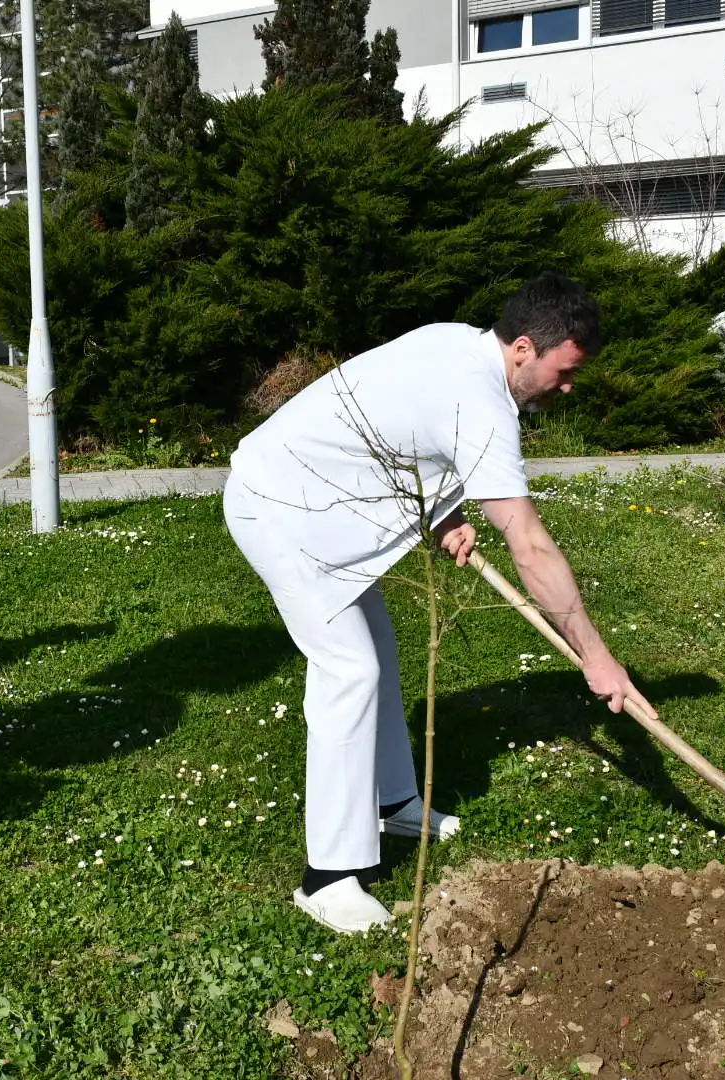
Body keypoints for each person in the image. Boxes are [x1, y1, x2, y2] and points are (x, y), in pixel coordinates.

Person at [223, 273, 657, 934]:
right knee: (349, 669)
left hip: (324, 510)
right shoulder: (478, 399)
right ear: (522, 350)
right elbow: (531, 546)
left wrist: (444, 511)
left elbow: (397, 432)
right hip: (280, 510)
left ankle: (395, 802)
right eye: (565, 370)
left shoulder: (457, 344)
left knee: (380, 654)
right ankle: (328, 880)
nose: (569, 386)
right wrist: (595, 659)